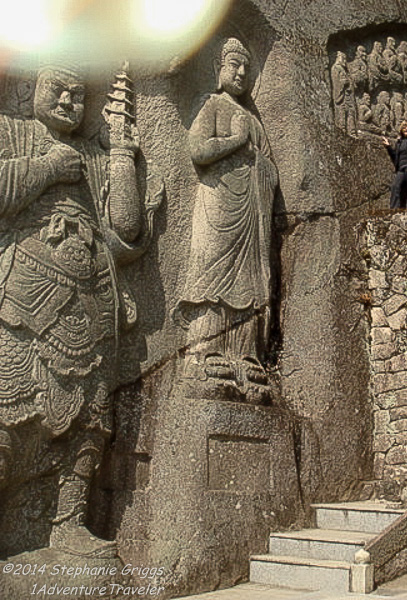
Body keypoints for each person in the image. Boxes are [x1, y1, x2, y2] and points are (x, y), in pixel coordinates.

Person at [0, 60, 156, 557]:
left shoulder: (93, 154)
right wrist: (45, 170)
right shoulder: (13, 132)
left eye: (77, 95)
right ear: (32, 91)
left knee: (91, 417)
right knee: (11, 405)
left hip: (90, 300)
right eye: (58, 91)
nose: (69, 102)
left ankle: (67, 523)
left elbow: (126, 231)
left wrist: (121, 159)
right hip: (24, 293)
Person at [174, 37, 278, 398]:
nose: (242, 72)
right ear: (219, 69)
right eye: (234, 64)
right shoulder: (214, 105)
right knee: (212, 276)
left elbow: (270, 171)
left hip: (251, 213)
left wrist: (258, 165)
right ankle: (204, 352)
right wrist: (235, 142)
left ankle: (245, 356)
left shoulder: (254, 121)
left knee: (250, 284)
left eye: (247, 67)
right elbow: (199, 151)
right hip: (219, 205)